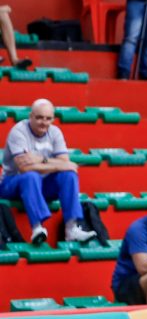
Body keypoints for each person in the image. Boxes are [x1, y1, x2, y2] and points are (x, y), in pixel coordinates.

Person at [0, 99, 96, 244]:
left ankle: (71, 229)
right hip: (11, 183)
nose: (44, 123)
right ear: (31, 116)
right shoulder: (18, 131)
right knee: (31, 176)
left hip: (41, 184)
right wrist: (56, 164)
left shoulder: (55, 132)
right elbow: (24, 168)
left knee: (69, 175)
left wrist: (40, 160)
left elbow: (66, 164)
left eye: (48, 118)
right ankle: (37, 228)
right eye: (39, 118)